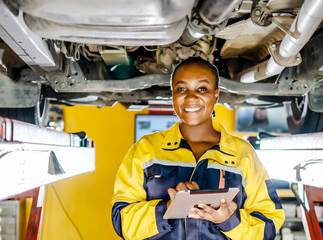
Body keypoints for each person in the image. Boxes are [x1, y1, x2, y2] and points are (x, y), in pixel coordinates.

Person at [111, 57, 285, 240]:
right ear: (173, 96)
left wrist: (229, 221)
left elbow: (269, 225)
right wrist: (168, 208)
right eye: (181, 89)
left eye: (202, 88)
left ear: (215, 95)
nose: (191, 97)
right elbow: (121, 221)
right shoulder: (145, 149)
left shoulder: (243, 154)